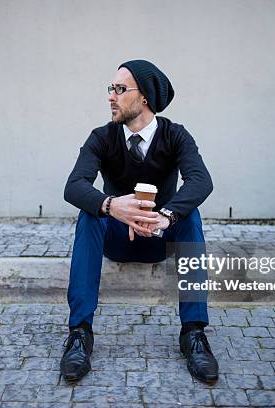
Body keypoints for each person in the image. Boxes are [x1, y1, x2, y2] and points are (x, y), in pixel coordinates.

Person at [62, 59, 218, 383]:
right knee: (89, 215)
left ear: (144, 97)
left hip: (160, 237)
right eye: (111, 89)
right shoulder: (102, 137)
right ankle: (79, 334)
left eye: (120, 89)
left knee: (191, 217)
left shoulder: (175, 136)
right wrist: (110, 206)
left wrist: (166, 216)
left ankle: (193, 334)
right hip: (117, 238)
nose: (111, 96)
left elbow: (201, 181)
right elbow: (73, 186)